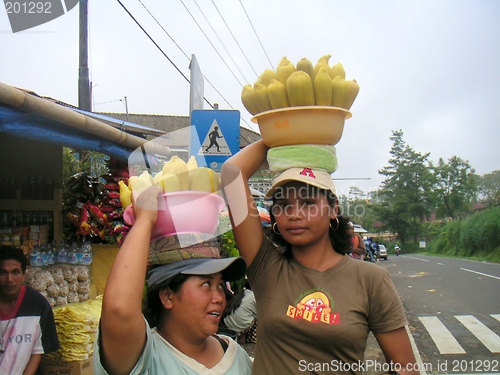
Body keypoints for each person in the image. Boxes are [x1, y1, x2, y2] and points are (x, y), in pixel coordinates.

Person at [221, 140, 418, 375]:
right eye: (283, 205)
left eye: (308, 203)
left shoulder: (371, 280)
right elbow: (232, 173)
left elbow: (406, 368)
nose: (294, 215)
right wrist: (278, 139)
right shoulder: (266, 266)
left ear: (334, 208)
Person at [94, 186, 252, 375]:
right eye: (206, 284)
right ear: (167, 296)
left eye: (219, 285)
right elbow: (119, 310)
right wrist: (145, 221)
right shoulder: (145, 356)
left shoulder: (236, 356)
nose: (219, 297)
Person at [0, 245, 60, 375]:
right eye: (3, 272)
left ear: (23, 274)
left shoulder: (38, 305)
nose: (9, 279)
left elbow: (37, 351)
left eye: (15, 272)